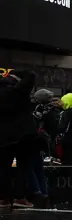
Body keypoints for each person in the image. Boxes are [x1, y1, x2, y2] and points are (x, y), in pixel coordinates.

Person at [0, 71, 37, 209]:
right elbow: (31, 75)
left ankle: (3, 198)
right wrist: (17, 73)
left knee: (3, 167)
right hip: (23, 135)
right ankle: (19, 197)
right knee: (24, 166)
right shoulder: (18, 92)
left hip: (3, 137)